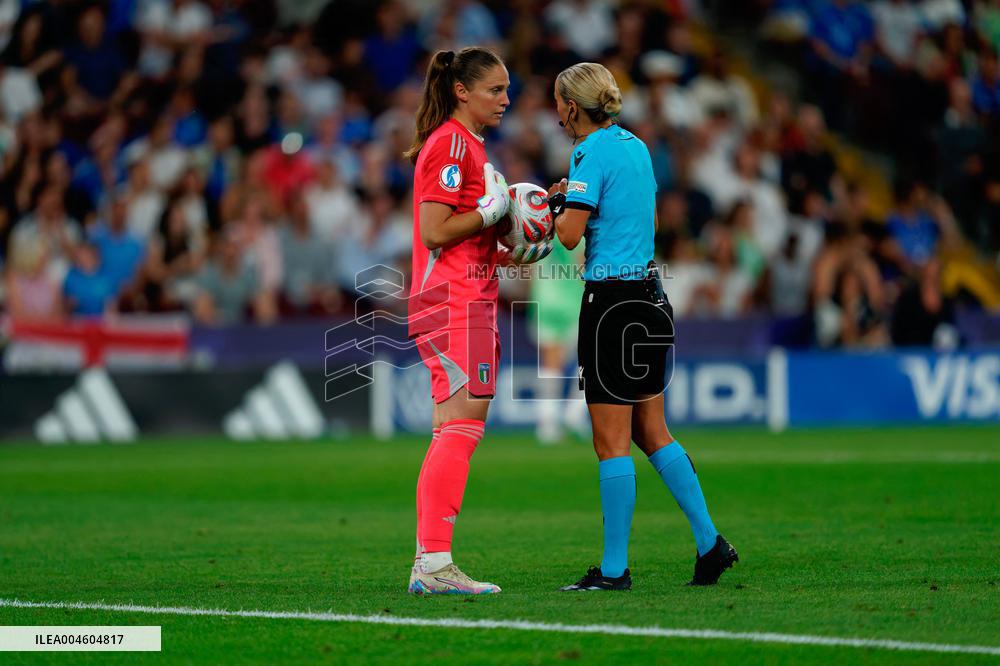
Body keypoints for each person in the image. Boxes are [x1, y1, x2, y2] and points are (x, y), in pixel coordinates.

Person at [547, 62, 737, 591]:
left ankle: (613, 571)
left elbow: (566, 236)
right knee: (653, 431)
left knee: (611, 442)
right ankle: (710, 543)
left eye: (558, 103)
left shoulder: (587, 152)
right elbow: (649, 222)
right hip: (651, 297)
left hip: (610, 305)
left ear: (570, 106)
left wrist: (556, 199)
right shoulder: (635, 147)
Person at [404, 47, 551, 596]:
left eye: (507, 89)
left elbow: (471, 239)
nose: (506, 100)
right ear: (462, 91)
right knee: (462, 428)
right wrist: (492, 214)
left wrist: (517, 241)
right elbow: (435, 231)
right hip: (453, 303)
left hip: (471, 296)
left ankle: (430, 561)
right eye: (495, 90)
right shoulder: (449, 143)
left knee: (453, 428)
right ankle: (434, 563)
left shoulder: (473, 149)